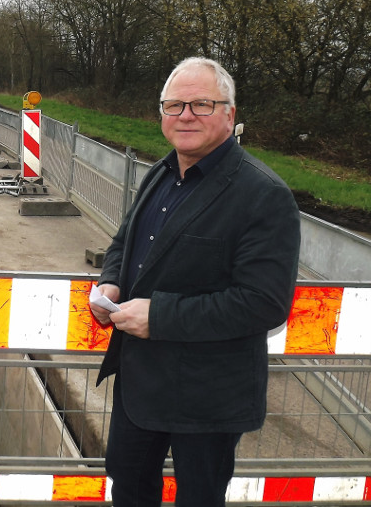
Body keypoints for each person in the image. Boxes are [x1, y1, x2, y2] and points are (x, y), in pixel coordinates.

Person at [90, 57, 300, 506]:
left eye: (201, 104)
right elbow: (124, 242)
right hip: (140, 385)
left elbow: (264, 303)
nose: (185, 115)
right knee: (128, 486)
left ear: (229, 114)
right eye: (174, 105)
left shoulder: (264, 195)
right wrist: (111, 283)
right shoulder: (162, 172)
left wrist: (160, 316)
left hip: (208, 398)